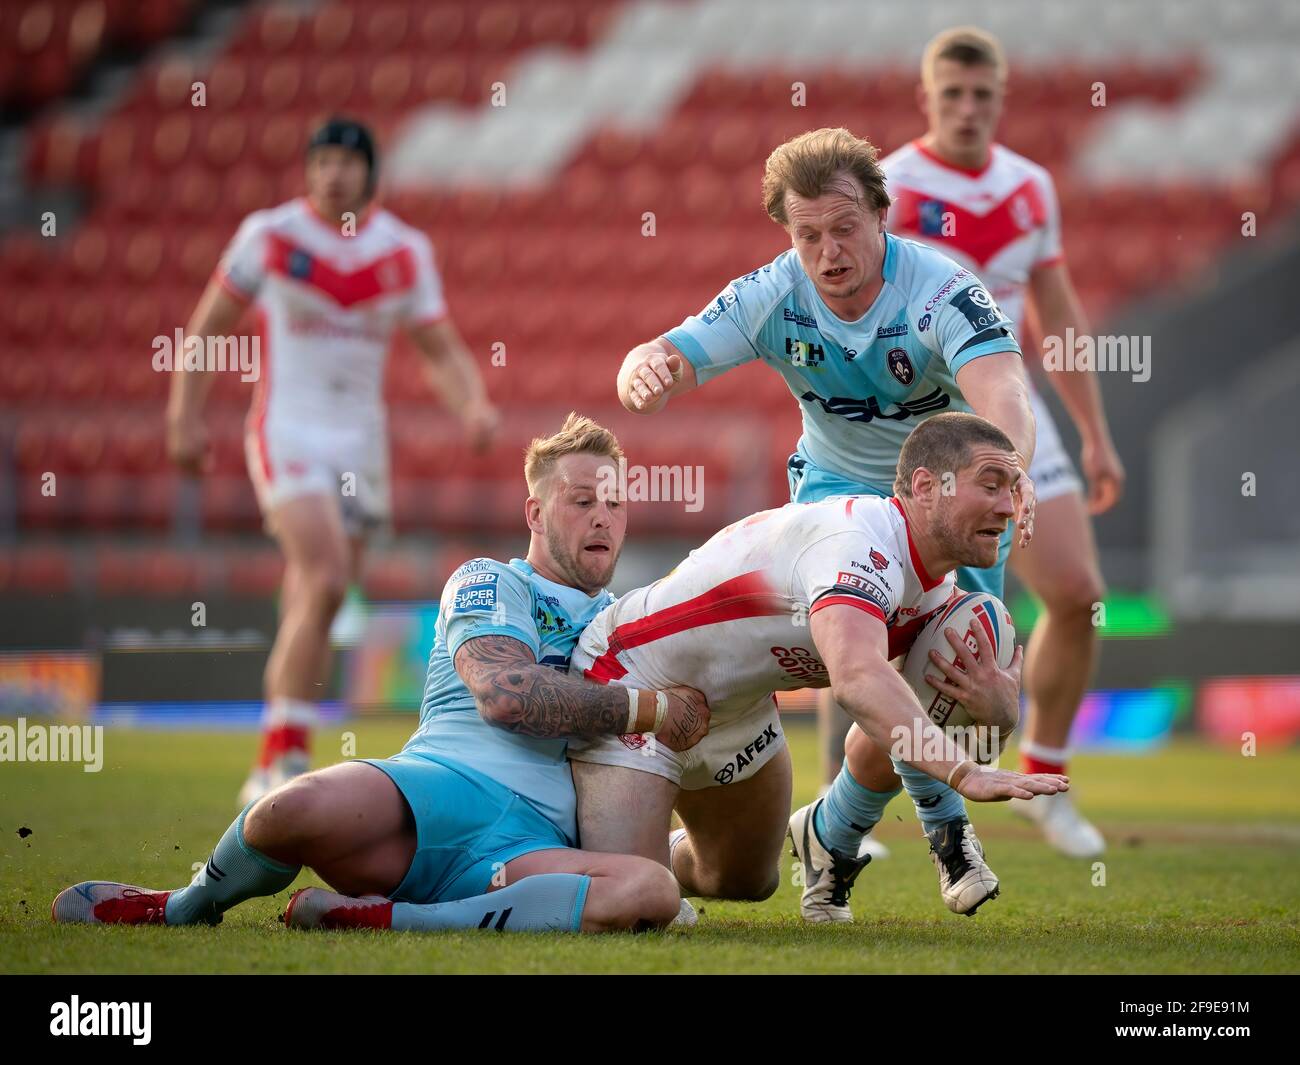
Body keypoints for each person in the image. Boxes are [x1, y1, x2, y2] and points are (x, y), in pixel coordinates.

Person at [53, 415, 708, 934]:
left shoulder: (630, 619)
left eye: (615, 503)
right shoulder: (489, 579)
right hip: (434, 792)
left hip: (534, 846)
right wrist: (648, 708)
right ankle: (186, 904)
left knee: (649, 888)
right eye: (582, 500)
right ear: (535, 514)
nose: (603, 516)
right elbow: (504, 694)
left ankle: (388, 919)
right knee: (290, 807)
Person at [614, 126, 1037, 911]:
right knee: (878, 676)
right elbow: (666, 351)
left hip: (948, 503)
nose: (828, 251)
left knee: (969, 689)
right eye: (808, 235)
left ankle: (833, 833)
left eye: (844, 228)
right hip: (837, 503)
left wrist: (1009, 468)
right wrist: (647, 367)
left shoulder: (942, 291)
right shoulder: (773, 293)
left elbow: (1003, 389)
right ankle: (947, 831)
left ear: (882, 215)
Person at [568, 413, 1067, 922]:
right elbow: (856, 680)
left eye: (1012, 489)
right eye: (991, 486)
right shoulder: (856, 546)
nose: (1009, 508)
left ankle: (703, 848)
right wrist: (962, 775)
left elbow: (896, 719)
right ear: (925, 486)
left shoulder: (936, 591)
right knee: (635, 904)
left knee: (743, 881)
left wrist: (1000, 714)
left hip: (737, 712)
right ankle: (552, 852)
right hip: (632, 680)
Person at [165, 117, 499, 805]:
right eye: (320, 160)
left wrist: (472, 403)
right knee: (320, 578)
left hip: (360, 445)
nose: (332, 174)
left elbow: (437, 348)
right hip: (288, 432)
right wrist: (183, 415)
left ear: (370, 173)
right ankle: (279, 758)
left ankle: (282, 742)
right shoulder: (270, 235)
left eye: (346, 161)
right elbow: (206, 329)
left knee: (321, 594)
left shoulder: (404, 251)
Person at [877, 26, 1122, 857]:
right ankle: (853, 811)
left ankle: (1045, 781)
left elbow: (1056, 312)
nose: (969, 108)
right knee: (876, 607)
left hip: (1015, 416)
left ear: (1000, 98)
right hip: (919, 420)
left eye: (983, 94)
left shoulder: (1030, 187)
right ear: (928, 98)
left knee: (1080, 590)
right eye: (953, 94)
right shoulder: (892, 185)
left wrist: (1094, 432)